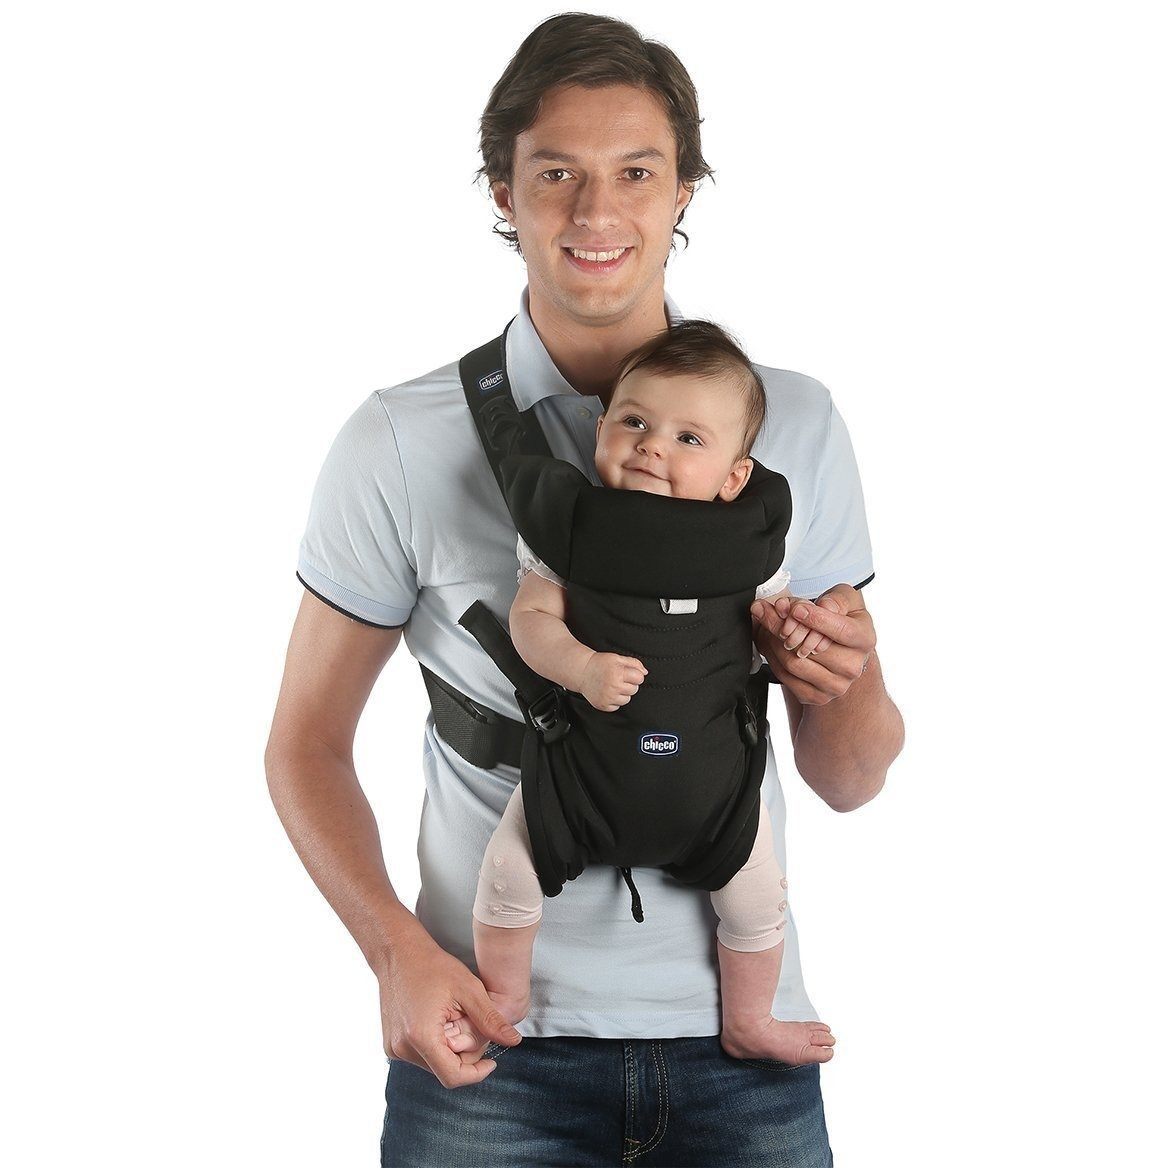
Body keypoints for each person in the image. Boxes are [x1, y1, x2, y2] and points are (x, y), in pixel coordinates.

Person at [265, 13, 903, 1166]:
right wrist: (394, 952)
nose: (596, 212)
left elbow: (851, 778)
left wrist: (838, 682)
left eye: (636, 173)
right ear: (502, 190)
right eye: (556, 172)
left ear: (685, 191)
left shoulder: (794, 425)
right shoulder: (398, 441)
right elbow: (304, 743)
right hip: (488, 1046)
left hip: (743, 1048)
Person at [445, 319, 837, 1070]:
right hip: (578, 774)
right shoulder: (571, 527)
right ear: (600, 432)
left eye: (689, 438)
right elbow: (531, 621)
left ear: (735, 477)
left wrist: (795, 632)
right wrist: (580, 668)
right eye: (634, 422)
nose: (653, 446)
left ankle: (750, 1019)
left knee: (758, 898)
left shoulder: (748, 544)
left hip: (713, 789)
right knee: (509, 870)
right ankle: (506, 997)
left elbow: (770, 625)